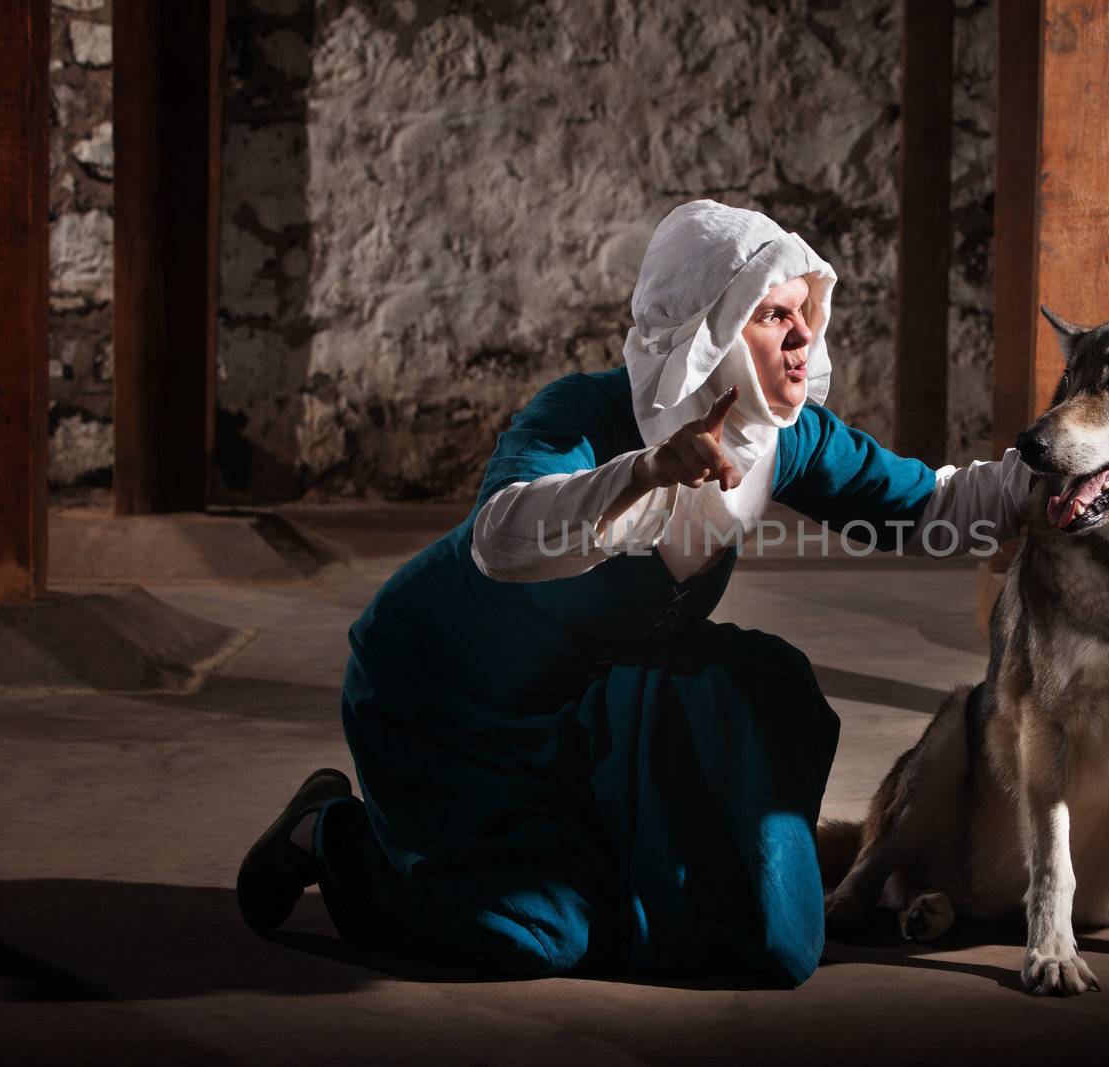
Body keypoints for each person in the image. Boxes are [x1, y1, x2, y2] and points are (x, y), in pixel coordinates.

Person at [236, 199, 1033, 987]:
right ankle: (331, 833)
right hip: (445, 701)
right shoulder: (583, 413)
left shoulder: (782, 439)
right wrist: (645, 473)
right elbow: (501, 537)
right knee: (532, 934)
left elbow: (931, 504)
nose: (801, 339)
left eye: (803, 314)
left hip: (588, 705)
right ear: (705, 332)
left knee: (760, 686)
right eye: (769, 316)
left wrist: (1059, 474)